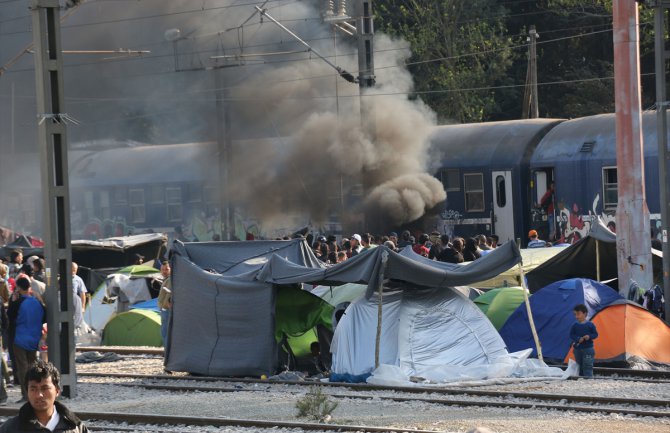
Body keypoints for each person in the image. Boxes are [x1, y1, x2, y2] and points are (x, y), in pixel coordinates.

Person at [0, 359, 90, 432]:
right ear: (27, 392)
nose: (39, 395)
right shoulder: (11, 429)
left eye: (45, 388)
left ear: (57, 391)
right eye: (33, 389)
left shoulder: (75, 427)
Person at [7, 278, 45, 402]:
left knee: (22, 368)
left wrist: (12, 301)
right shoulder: (37, 302)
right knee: (32, 366)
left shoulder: (18, 303)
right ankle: (36, 392)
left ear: (18, 288)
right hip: (34, 338)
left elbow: (10, 317)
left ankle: (26, 394)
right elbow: (44, 317)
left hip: (19, 339)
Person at [569, 304, 598, 378]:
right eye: (575, 314)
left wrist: (589, 336)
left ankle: (588, 379)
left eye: (578, 314)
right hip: (577, 349)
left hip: (588, 349)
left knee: (587, 365)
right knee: (579, 365)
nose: (576, 316)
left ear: (584, 314)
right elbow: (571, 335)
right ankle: (580, 378)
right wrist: (578, 338)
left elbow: (595, 334)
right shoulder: (575, 325)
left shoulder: (590, 325)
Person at [157, 261, 172, 352]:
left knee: (165, 333)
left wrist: (165, 306)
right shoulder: (166, 279)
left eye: (166, 269)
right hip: (165, 309)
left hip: (167, 310)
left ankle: (167, 353)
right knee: (165, 332)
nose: (164, 271)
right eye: (162, 269)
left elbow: (169, 294)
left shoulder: (170, 280)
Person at [71, 263, 88, 329]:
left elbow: (82, 294)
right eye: (71, 270)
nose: (73, 272)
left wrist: (83, 307)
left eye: (74, 270)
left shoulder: (78, 279)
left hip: (74, 302)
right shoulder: (61, 278)